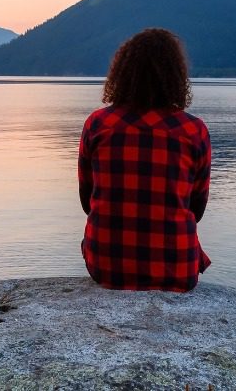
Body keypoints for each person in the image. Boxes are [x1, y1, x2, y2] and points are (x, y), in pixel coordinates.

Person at [78, 28, 212, 292]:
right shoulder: (193, 130)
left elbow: (87, 201)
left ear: (122, 73)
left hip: (107, 267)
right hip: (177, 269)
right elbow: (196, 209)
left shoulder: (98, 124)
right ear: (176, 76)